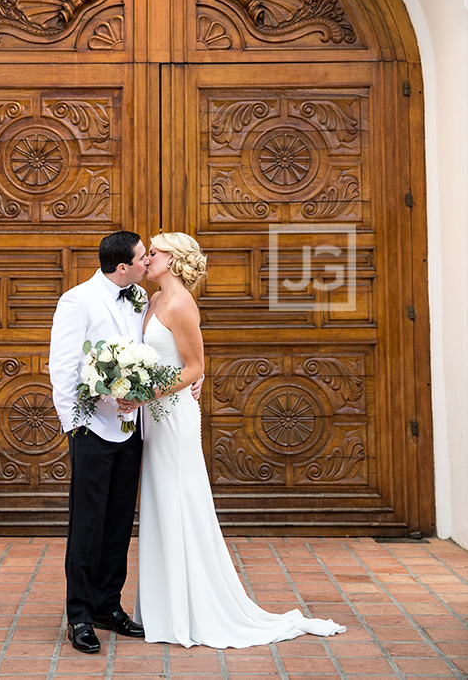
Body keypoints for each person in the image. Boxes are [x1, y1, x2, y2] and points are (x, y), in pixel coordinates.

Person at [119, 232, 347, 649]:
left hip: (172, 418)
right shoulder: (151, 301)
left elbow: (193, 368)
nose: (146, 258)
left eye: (154, 253)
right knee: (160, 504)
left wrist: (140, 395)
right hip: (154, 417)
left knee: (179, 502)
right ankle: (167, 608)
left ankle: (194, 608)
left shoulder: (182, 304)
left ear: (173, 260)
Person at [48, 230, 149, 654]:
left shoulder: (140, 296)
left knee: (120, 522)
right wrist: (75, 425)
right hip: (93, 430)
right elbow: (64, 365)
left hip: (132, 430)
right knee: (87, 524)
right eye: (143, 258)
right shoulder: (78, 300)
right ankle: (80, 615)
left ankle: (109, 604)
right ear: (121, 266)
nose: (149, 262)